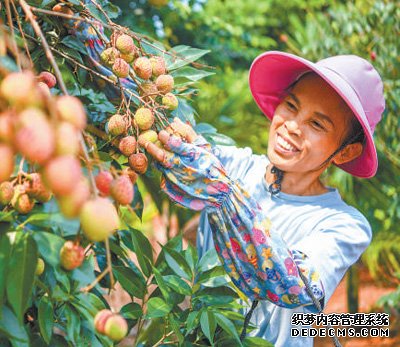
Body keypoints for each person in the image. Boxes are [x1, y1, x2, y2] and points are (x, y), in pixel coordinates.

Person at [140, 51, 385, 347]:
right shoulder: (232, 166)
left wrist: (226, 195)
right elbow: (165, 133)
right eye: (291, 106)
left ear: (345, 152)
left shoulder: (344, 225)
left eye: (317, 124)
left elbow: (292, 285)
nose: (292, 125)